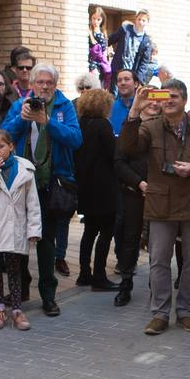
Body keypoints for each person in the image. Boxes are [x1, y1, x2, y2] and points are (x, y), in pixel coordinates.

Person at [119, 79, 190, 334]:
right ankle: (160, 313)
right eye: (165, 96)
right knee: (158, 262)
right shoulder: (150, 127)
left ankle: (186, 312)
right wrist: (134, 110)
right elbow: (127, 147)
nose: (169, 100)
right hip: (161, 204)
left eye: (175, 96)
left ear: (185, 100)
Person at [1, 63, 82, 316]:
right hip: (22, 182)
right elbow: (2, 137)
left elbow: (75, 139)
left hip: (50, 183)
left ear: (55, 85)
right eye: (40, 82)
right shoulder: (20, 105)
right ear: (32, 84)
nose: (44, 87)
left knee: (46, 241)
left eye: (49, 82)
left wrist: (47, 122)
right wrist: (20, 120)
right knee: (19, 238)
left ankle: (48, 295)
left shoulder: (64, 106)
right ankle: (22, 288)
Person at [0, 128, 42, 331]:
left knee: (15, 268)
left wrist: (34, 229)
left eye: (1, 146)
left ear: (11, 146)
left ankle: (16, 309)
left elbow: (33, 203)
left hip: (15, 225)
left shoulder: (25, 169)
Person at [112, 96, 160, 306]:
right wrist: (139, 183)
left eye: (157, 99)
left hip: (160, 194)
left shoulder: (165, 128)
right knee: (130, 239)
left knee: (157, 241)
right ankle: (125, 284)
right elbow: (119, 163)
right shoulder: (130, 127)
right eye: (148, 100)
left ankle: (156, 288)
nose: (153, 103)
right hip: (134, 192)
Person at [73, 87, 117, 290]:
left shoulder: (80, 124)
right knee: (106, 232)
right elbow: (113, 155)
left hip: (85, 187)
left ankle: (84, 273)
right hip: (104, 188)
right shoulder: (103, 125)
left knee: (89, 231)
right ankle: (99, 275)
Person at [109, 10, 156, 85]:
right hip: (118, 71)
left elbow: (144, 63)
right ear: (136, 19)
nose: (140, 22)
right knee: (113, 95)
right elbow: (109, 40)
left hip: (131, 75)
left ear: (147, 22)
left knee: (127, 96)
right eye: (139, 19)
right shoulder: (125, 29)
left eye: (143, 20)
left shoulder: (147, 40)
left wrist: (138, 79)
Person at [87, 6, 111, 89]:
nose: (95, 21)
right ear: (90, 18)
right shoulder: (89, 31)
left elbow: (104, 49)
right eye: (93, 18)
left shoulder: (103, 33)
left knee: (102, 82)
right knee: (94, 80)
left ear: (102, 20)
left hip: (101, 62)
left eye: (98, 19)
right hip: (92, 61)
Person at [109, 69, 137, 135]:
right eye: (119, 80)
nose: (123, 83)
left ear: (136, 84)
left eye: (127, 79)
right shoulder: (110, 107)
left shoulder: (144, 107)